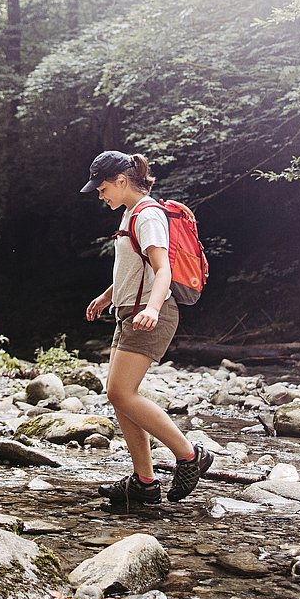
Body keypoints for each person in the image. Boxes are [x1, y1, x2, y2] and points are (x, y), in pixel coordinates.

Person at [82, 149, 212, 507]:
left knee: (121, 393)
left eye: (102, 187)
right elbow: (133, 268)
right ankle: (144, 482)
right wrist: (108, 297)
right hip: (130, 313)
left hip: (149, 314)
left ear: (122, 182)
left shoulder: (148, 214)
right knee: (122, 397)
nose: (100, 194)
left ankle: (189, 455)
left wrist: (153, 308)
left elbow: (163, 268)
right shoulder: (129, 215)